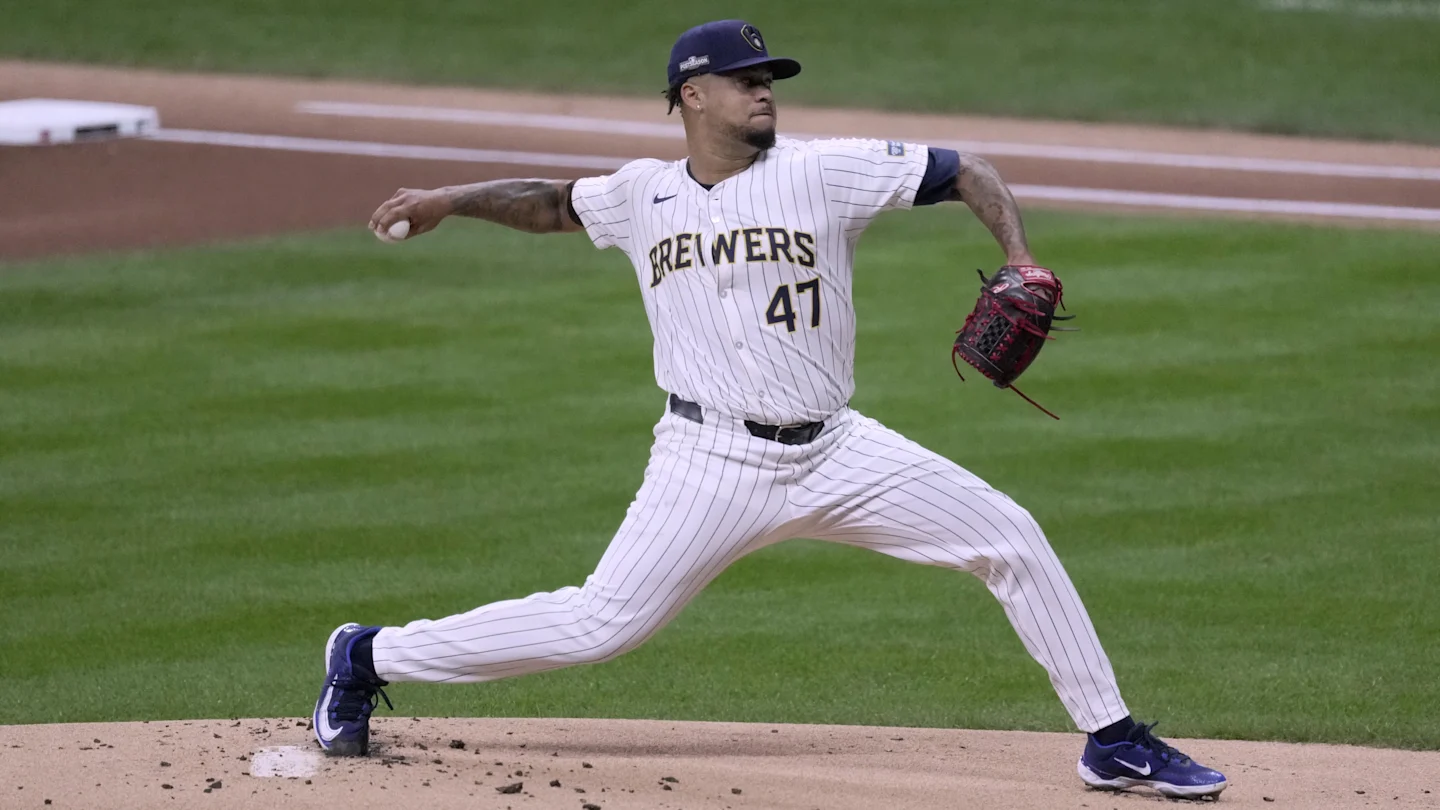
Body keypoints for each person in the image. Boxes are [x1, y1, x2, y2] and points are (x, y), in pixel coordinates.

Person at [313, 19, 1227, 800]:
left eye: (769, 80)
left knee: (1010, 537)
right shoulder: (642, 193)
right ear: (692, 96)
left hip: (838, 452)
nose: (764, 91)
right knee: (600, 625)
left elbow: (967, 171)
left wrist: (1021, 258)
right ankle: (365, 655)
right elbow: (550, 203)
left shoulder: (826, 170)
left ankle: (1111, 739)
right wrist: (447, 200)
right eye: (744, 79)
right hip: (707, 464)